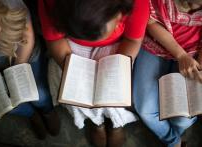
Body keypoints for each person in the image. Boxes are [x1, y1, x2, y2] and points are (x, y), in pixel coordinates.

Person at [38, 0, 149, 146]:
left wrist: (116, 69)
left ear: (120, 12)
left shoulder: (137, 3)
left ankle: (116, 122)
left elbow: (132, 40)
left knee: (116, 94)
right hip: (70, 46)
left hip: (119, 46)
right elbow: (55, 40)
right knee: (77, 94)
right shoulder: (51, 3)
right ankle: (97, 123)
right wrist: (74, 72)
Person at [133, 0, 202, 147]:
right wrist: (181, 55)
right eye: (189, 2)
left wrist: (200, 67)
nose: (193, 9)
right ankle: (174, 141)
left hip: (198, 50)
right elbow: (150, 22)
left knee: (184, 117)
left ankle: (176, 133)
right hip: (156, 44)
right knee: (145, 110)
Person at [0, 0, 60, 140]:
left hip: (26, 56)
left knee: (40, 93)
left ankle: (47, 111)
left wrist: (16, 71)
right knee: (7, 103)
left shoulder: (11, 5)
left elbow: (27, 38)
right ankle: (31, 114)